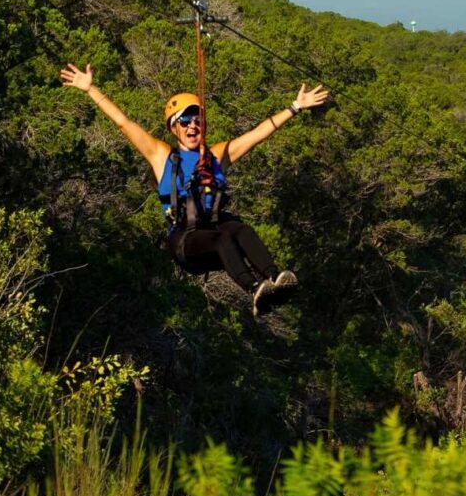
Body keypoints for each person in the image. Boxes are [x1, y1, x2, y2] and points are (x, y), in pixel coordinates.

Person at [59, 63, 329, 315]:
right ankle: (253, 290)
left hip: (213, 229)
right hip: (186, 242)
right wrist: (91, 89)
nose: (193, 125)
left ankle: (273, 279)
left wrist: (295, 107)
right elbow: (124, 123)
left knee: (240, 229)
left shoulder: (216, 155)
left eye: (197, 119)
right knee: (223, 238)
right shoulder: (162, 156)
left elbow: (258, 134)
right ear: (174, 128)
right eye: (185, 121)